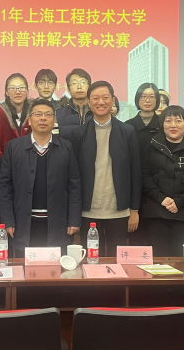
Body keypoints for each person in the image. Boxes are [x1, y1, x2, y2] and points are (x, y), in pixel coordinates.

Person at [67, 81, 142, 257]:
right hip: (88, 212)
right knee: (92, 260)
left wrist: (134, 210)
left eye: (105, 97)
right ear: (88, 102)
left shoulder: (128, 131)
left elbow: (136, 172)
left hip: (119, 211)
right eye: (95, 98)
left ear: (113, 100)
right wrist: (74, 214)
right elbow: (73, 177)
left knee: (117, 262)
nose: (100, 102)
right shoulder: (78, 134)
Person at [0, 99, 82, 256]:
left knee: (56, 268)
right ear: (30, 120)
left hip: (57, 224)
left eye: (48, 115)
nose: (43, 118)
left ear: (54, 120)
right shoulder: (14, 147)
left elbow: (74, 186)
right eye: (38, 114)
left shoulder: (66, 147)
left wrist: (74, 219)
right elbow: (5, 187)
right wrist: (7, 220)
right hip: (23, 224)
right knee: (25, 268)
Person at [141, 106, 184, 256]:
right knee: (158, 260)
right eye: (168, 121)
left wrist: (180, 202)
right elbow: (145, 176)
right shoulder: (151, 146)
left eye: (178, 121)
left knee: (182, 260)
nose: (173, 125)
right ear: (162, 124)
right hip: (156, 212)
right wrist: (161, 199)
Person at [125, 83, 162, 247]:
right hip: (134, 187)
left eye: (152, 96)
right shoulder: (127, 126)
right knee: (136, 239)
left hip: (159, 187)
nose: (147, 100)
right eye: (143, 96)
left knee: (158, 239)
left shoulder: (165, 125)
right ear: (137, 99)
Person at [0, 73, 32, 157]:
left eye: (21, 87)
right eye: (12, 88)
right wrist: (5, 162)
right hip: (5, 162)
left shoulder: (35, 113)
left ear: (27, 91)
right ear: (7, 92)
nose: (18, 92)